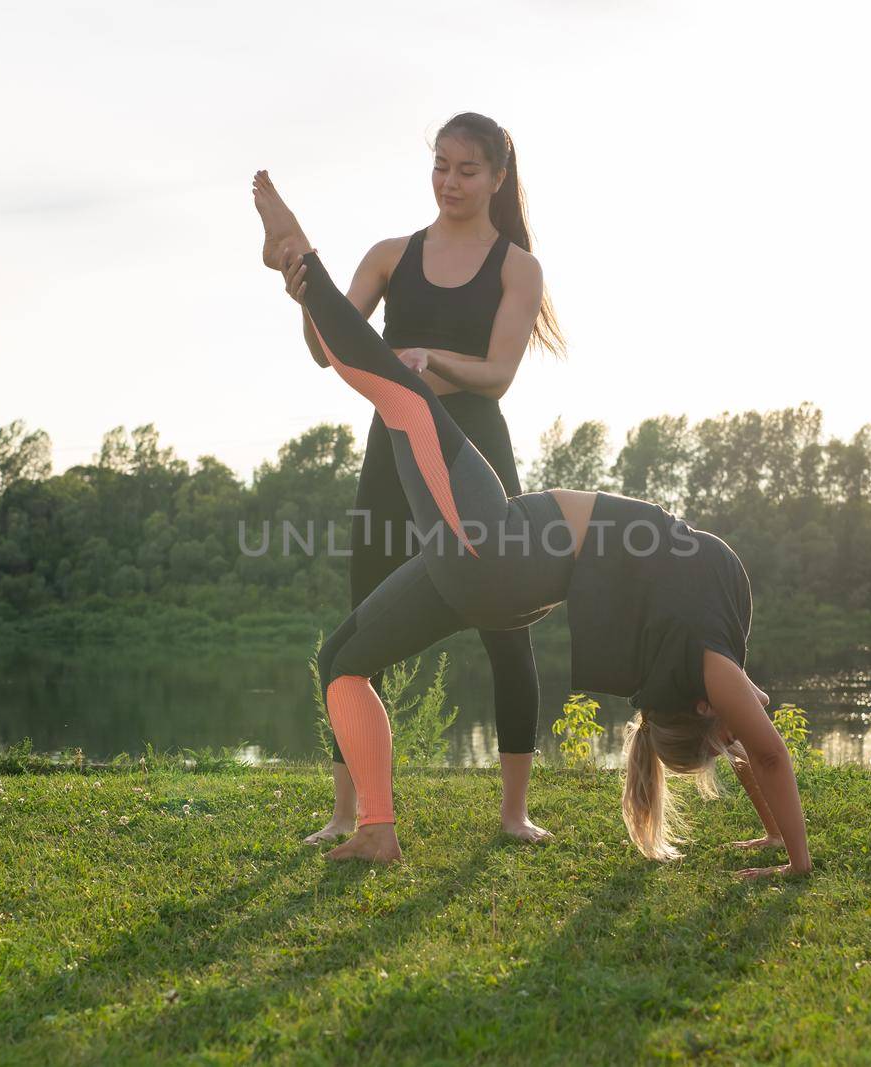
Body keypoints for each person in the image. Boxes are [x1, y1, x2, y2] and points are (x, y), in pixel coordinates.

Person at [254, 169, 812, 879]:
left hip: (499, 550)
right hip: (496, 579)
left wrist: (795, 861)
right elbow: (747, 737)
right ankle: (376, 829)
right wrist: (770, 833)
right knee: (343, 660)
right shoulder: (715, 663)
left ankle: (299, 259)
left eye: (727, 725)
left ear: (705, 710)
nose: (751, 714)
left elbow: (763, 746)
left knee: (402, 393)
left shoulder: (709, 666)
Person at [285, 113, 565, 845]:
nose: (451, 181)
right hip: (393, 455)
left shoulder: (516, 267)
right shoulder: (389, 255)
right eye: (441, 165)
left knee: (506, 628)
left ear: (498, 178)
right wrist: (305, 304)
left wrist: (430, 360)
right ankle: (348, 812)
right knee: (354, 635)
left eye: (468, 170)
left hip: (474, 452)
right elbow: (327, 352)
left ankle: (514, 813)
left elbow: (499, 375)